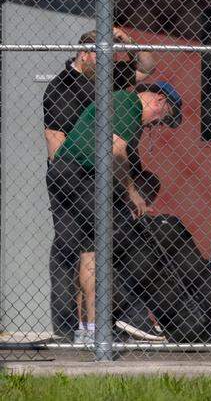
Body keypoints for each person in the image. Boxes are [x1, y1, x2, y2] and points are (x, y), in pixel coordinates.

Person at [41, 28, 156, 340]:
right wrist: (77, 186)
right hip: (76, 178)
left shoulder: (110, 76)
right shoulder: (62, 89)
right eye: (102, 56)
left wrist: (128, 42)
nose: (108, 63)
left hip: (107, 178)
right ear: (85, 53)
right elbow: (56, 146)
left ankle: (100, 326)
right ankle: (70, 329)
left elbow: (147, 66)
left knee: (100, 249)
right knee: (72, 250)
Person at [47, 81, 182, 345]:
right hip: (82, 174)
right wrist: (132, 194)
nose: (155, 126)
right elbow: (117, 151)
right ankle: (131, 316)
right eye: (161, 119)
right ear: (159, 100)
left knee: (89, 249)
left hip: (62, 173)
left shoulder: (118, 101)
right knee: (123, 238)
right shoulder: (128, 105)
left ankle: (91, 329)